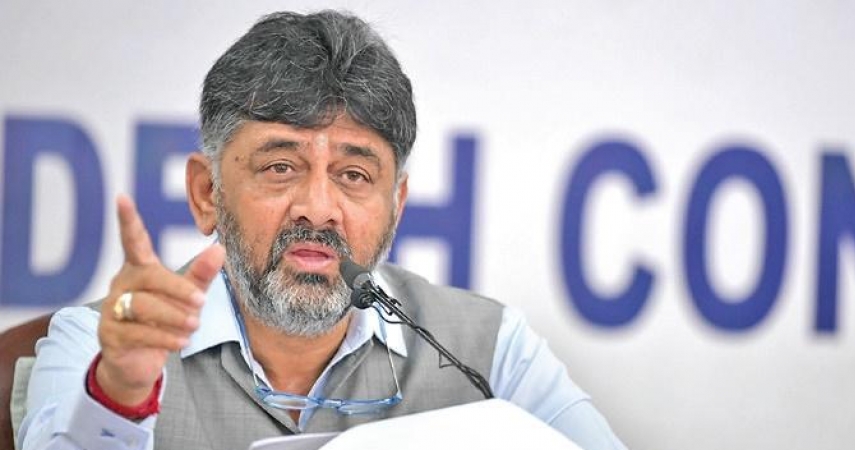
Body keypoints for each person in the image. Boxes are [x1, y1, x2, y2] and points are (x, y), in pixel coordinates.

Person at [19, 10, 626, 450]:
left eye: (354, 175)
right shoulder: (95, 347)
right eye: (280, 167)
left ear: (396, 206)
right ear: (207, 193)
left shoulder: (490, 351)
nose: (318, 208)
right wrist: (121, 391)